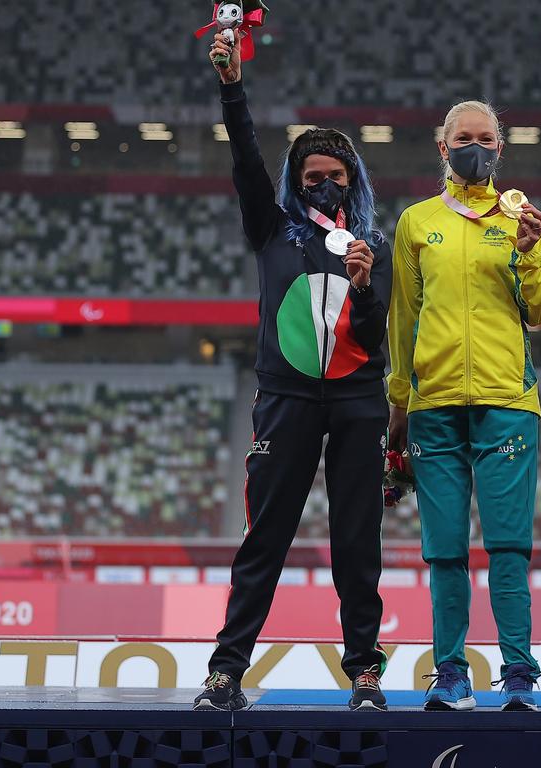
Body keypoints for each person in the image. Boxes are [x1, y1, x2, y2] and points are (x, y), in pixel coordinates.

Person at [194, 31, 392, 712]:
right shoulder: (272, 228)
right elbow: (246, 161)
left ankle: (366, 672)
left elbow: (376, 342)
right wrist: (232, 87)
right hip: (285, 399)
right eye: (313, 177)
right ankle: (226, 673)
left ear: (354, 180)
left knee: (356, 541)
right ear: (295, 182)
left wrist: (365, 288)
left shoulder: (374, 245)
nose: (326, 184)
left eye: (336, 175)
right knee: (266, 538)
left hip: (359, 400)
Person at [387, 101, 541, 712]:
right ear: (443, 147)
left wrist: (533, 250)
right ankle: (451, 675)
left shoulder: (521, 219)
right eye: (464, 138)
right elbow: (404, 317)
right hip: (432, 405)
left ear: (500, 150)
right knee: (446, 550)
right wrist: (398, 405)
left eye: (485, 139)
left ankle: (518, 675)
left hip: (507, 400)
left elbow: (540, 309)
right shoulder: (415, 222)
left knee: (509, 547)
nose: (474, 148)